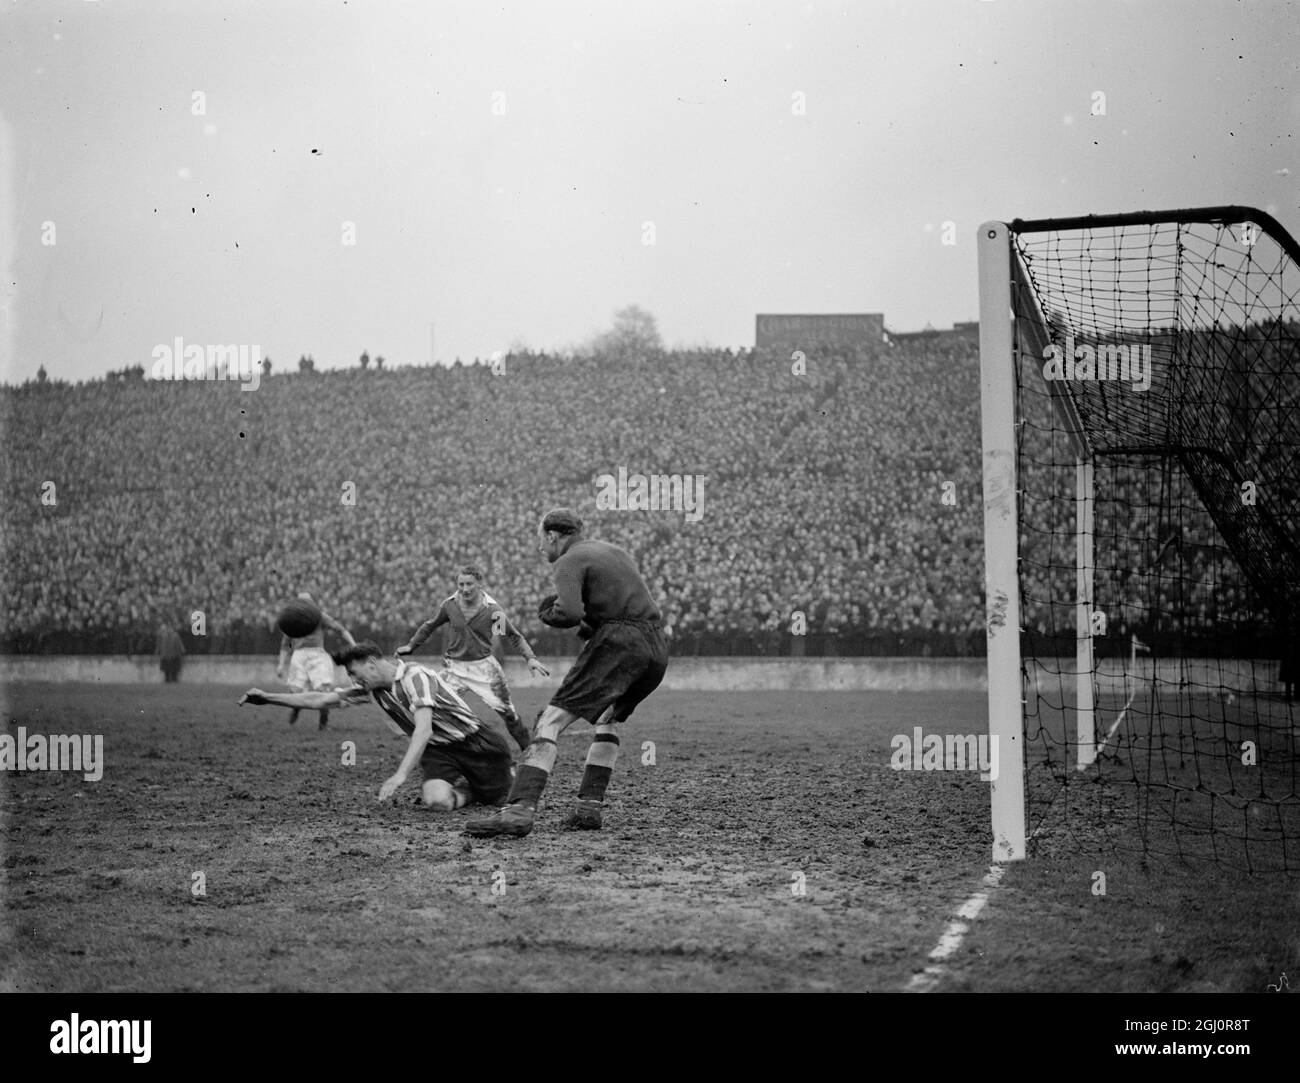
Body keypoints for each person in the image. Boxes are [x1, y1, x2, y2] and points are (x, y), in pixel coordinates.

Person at [465, 508, 668, 839]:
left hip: (620, 643)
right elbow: (611, 609)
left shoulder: (568, 561)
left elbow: (571, 613)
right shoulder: (615, 552)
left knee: (550, 721)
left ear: (553, 536)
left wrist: (551, 614)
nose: (539, 548)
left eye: (539, 539)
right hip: (657, 646)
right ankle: (589, 809)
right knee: (607, 718)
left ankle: (518, 811)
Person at [238, 642, 513, 810]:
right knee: (438, 803)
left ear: (371, 664)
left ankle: (500, 780)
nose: (354, 680)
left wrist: (400, 774)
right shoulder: (373, 689)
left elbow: (424, 728)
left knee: (502, 799)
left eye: (354, 673)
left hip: (477, 744)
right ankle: (473, 791)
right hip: (440, 752)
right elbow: (322, 698)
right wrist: (268, 698)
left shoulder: (416, 677)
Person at [396, 565, 549, 752]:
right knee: (431, 707)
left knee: (508, 714)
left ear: (480, 584)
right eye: (461, 584)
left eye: (469, 584)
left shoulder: (492, 610)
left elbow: (513, 635)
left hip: (484, 669)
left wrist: (530, 659)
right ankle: (436, 754)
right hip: (454, 669)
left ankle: (531, 752)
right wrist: (411, 646)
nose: (465, 589)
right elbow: (429, 626)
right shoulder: (449, 605)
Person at [278, 592, 355, 729]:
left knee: (323, 692)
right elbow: (285, 645)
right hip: (299, 655)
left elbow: (340, 629)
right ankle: (296, 709)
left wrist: (353, 645)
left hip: (317, 655)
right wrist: (281, 664)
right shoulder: (292, 620)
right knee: (294, 692)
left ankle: (323, 723)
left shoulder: (319, 617)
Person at [155, 619, 185, 683]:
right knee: (167, 673)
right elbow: (159, 645)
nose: (169, 629)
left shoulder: (175, 636)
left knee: (174, 672)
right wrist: (157, 651)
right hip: (166, 656)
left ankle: (173, 680)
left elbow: (179, 645)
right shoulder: (163, 636)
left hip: (174, 656)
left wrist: (182, 650)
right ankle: (169, 680)